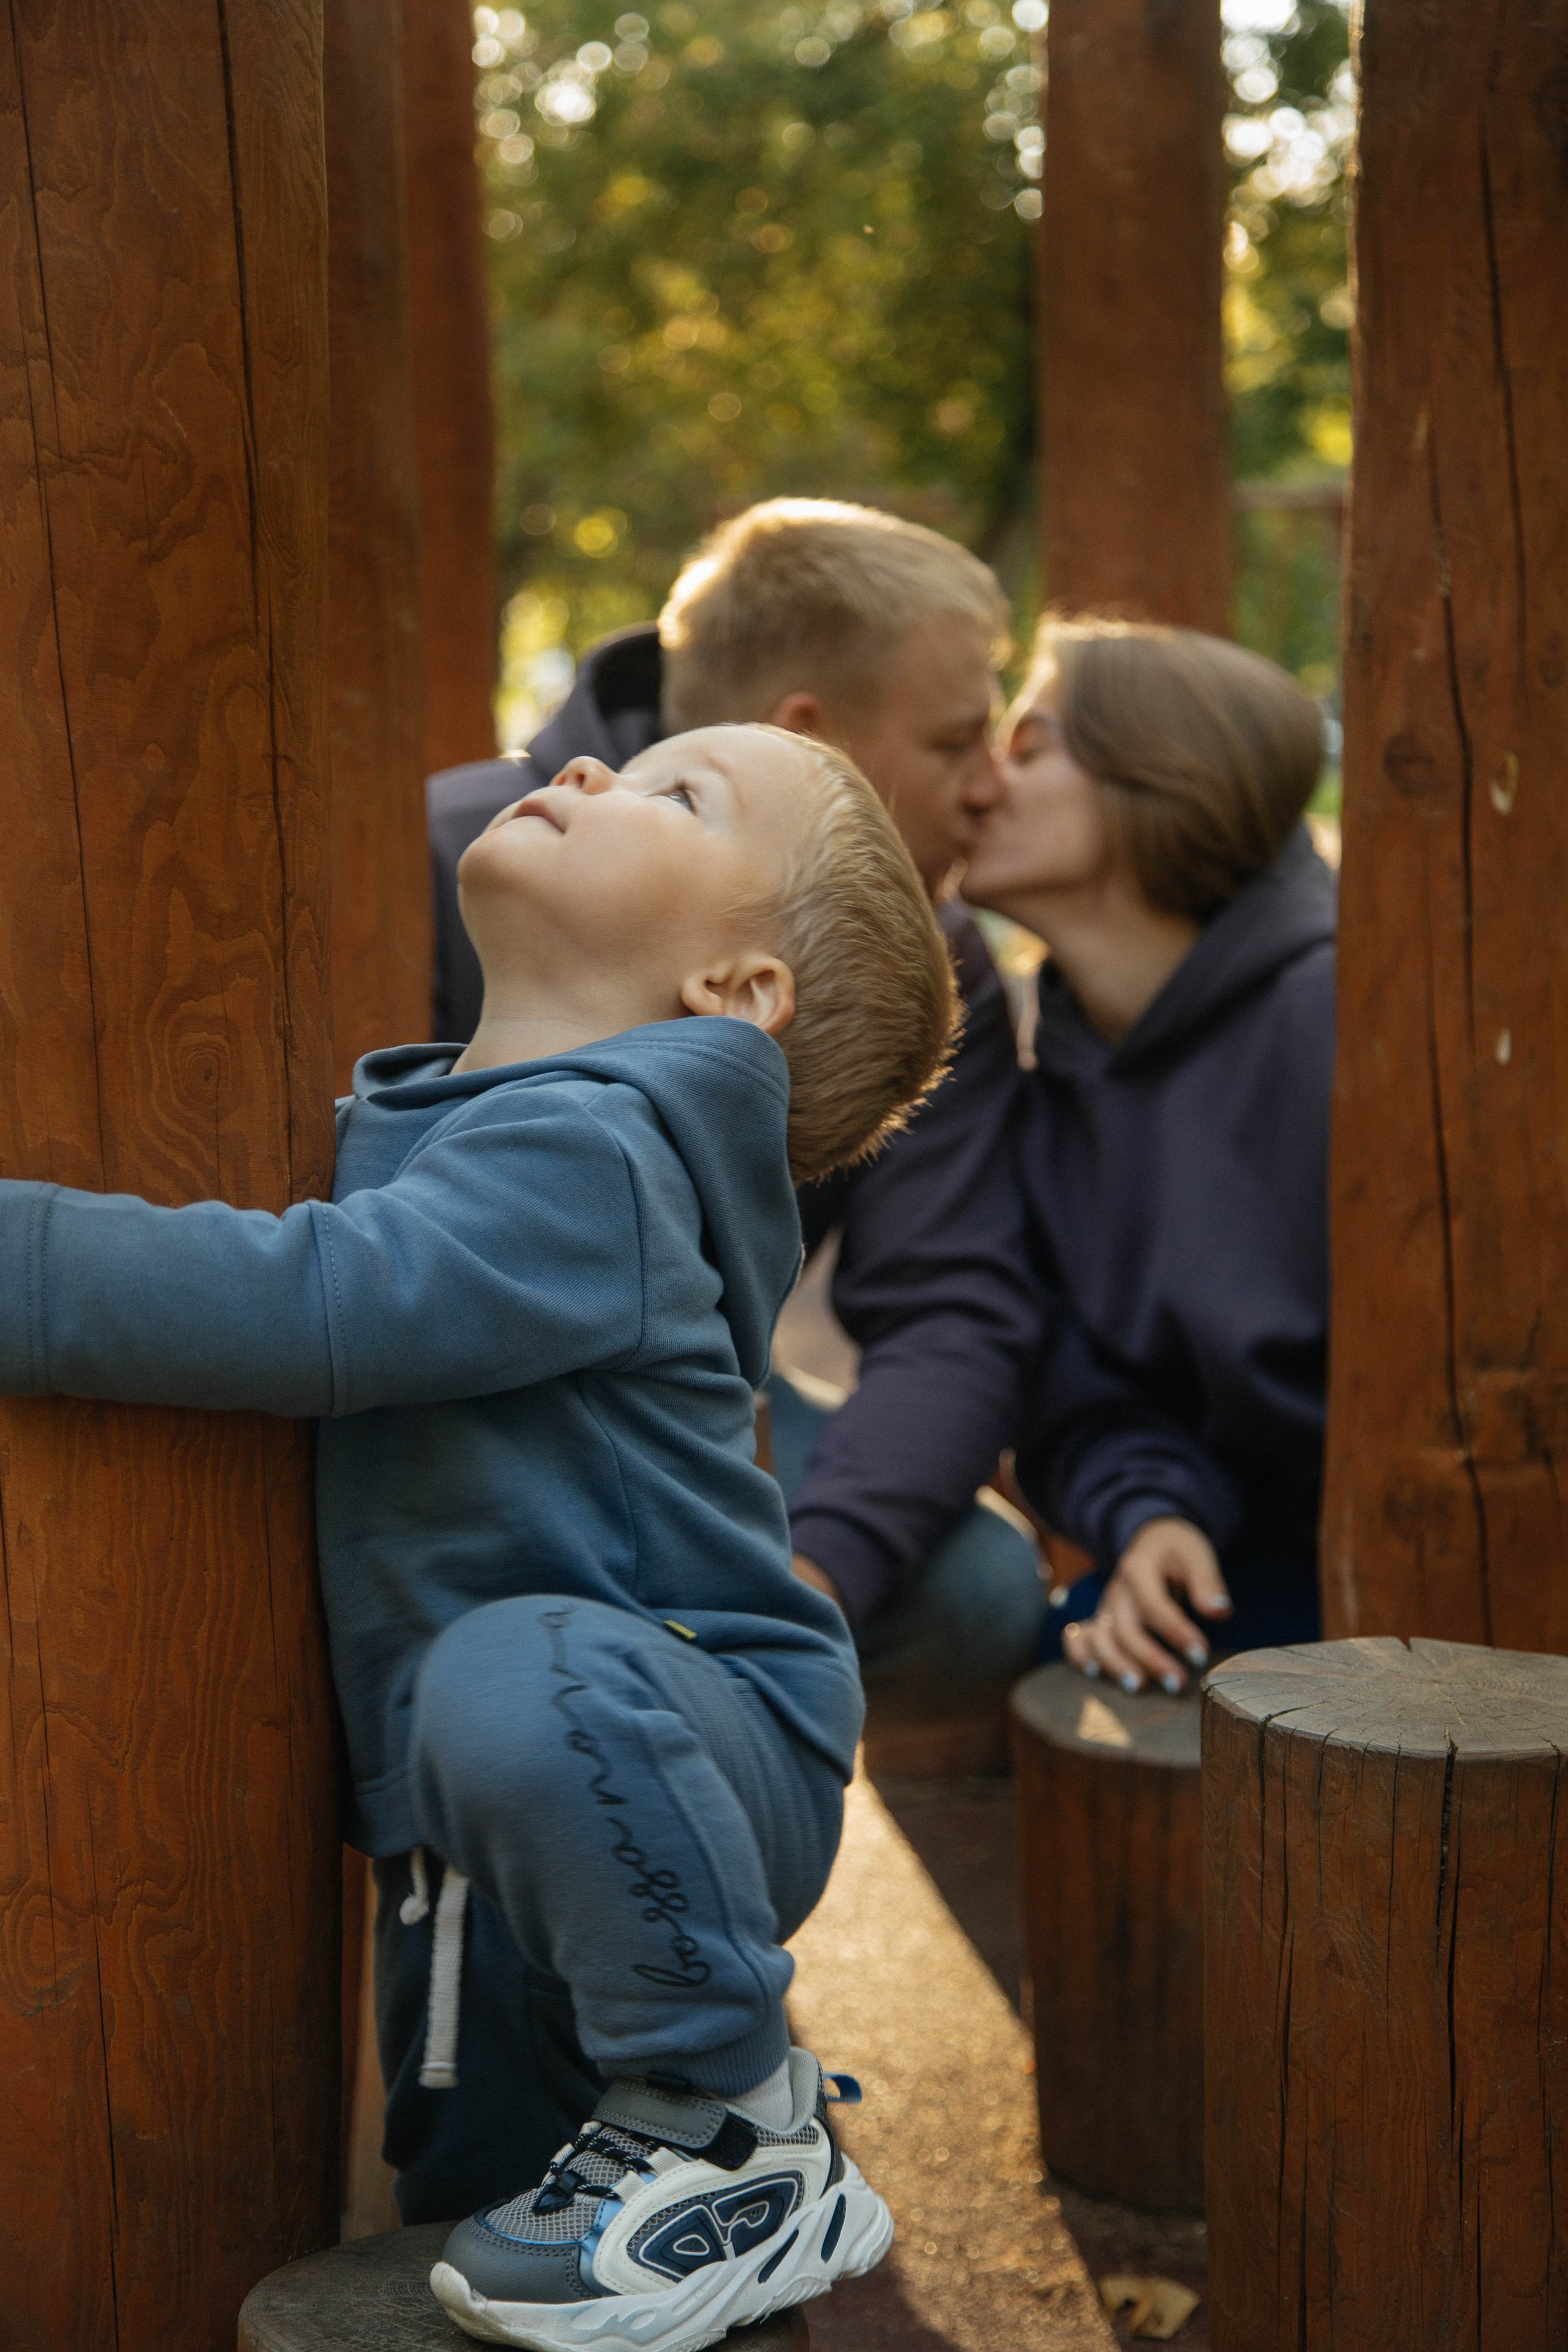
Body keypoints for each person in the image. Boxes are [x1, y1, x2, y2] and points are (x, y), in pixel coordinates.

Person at [0, 725, 957, 2347]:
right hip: (501, 1802)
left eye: (674, 794)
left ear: (736, 992)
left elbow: (325, 1301)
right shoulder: (492, 1119)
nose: (588, 768)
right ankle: (689, 2188)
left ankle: (741, 2116)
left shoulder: (607, 1151)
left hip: (666, 1724)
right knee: (495, 2227)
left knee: (507, 1671)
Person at [429, 500, 1047, 1743]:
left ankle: (693, 1768)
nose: (995, 788)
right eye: (954, 742)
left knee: (979, 1589)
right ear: (809, 742)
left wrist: (801, 1587)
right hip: (404, 1354)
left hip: (676, 1393)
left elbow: (956, 1308)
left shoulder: (937, 960)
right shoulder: (467, 860)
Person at [962, 618, 1335, 1695]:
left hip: (1467, 1570)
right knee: (1077, 1658)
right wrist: (1155, 1518)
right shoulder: (1054, 1071)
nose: (982, 785)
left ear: (1162, 772)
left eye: (1029, 750)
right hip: (1249, 1554)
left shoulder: (1351, 1009)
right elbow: (1086, 1385)